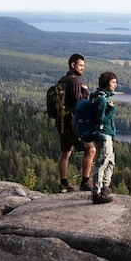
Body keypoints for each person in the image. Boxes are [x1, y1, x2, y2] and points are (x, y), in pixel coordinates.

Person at [55, 53, 96, 193]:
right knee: (90, 149)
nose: (83, 68)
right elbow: (79, 104)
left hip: (61, 122)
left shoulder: (63, 80)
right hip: (72, 124)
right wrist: (85, 92)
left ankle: (64, 184)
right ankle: (85, 181)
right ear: (73, 65)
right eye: (80, 65)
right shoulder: (74, 82)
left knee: (65, 152)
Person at [90, 71, 118, 204]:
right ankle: (96, 193)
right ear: (107, 83)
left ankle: (105, 188)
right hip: (103, 135)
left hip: (107, 135)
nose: (115, 85)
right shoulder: (101, 99)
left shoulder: (103, 97)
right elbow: (101, 120)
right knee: (101, 163)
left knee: (110, 161)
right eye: (113, 82)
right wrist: (111, 110)